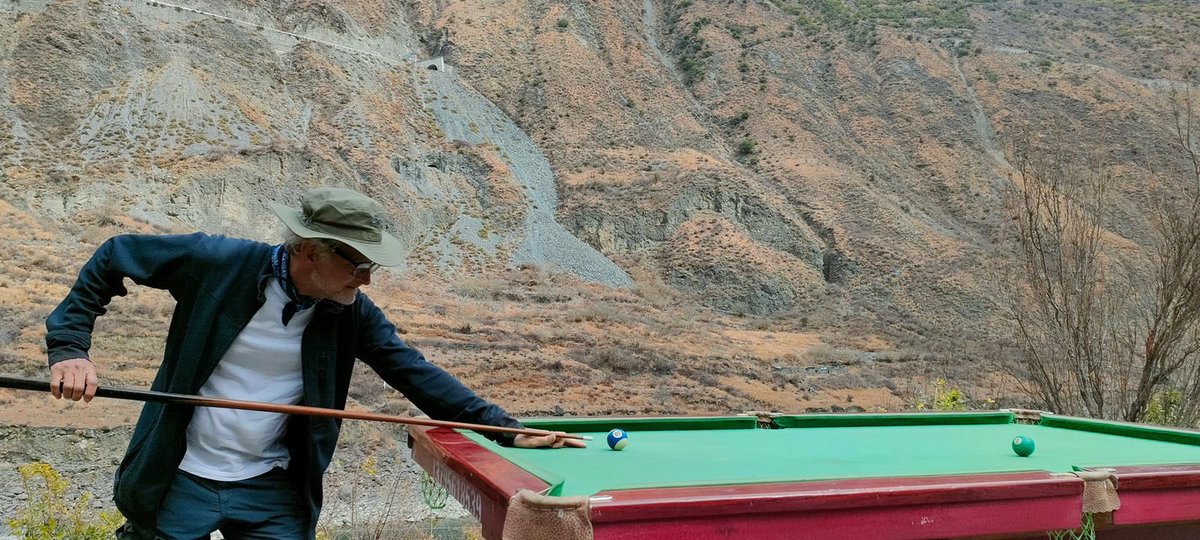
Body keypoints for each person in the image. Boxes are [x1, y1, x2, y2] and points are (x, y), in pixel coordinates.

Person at [44, 187, 583, 540]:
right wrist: (70, 349)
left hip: (274, 487)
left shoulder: (352, 313)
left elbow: (412, 372)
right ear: (309, 252)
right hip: (180, 476)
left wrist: (504, 430)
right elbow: (115, 255)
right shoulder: (217, 262)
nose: (366, 279)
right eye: (357, 264)